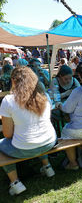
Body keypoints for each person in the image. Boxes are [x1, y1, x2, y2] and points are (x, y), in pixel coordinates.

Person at [0, 67, 56, 195]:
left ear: (14, 81)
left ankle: (15, 183)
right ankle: (47, 166)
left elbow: (7, 134)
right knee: (36, 134)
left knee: (4, 144)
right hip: (49, 142)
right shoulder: (44, 96)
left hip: (26, 148)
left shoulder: (8, 100)